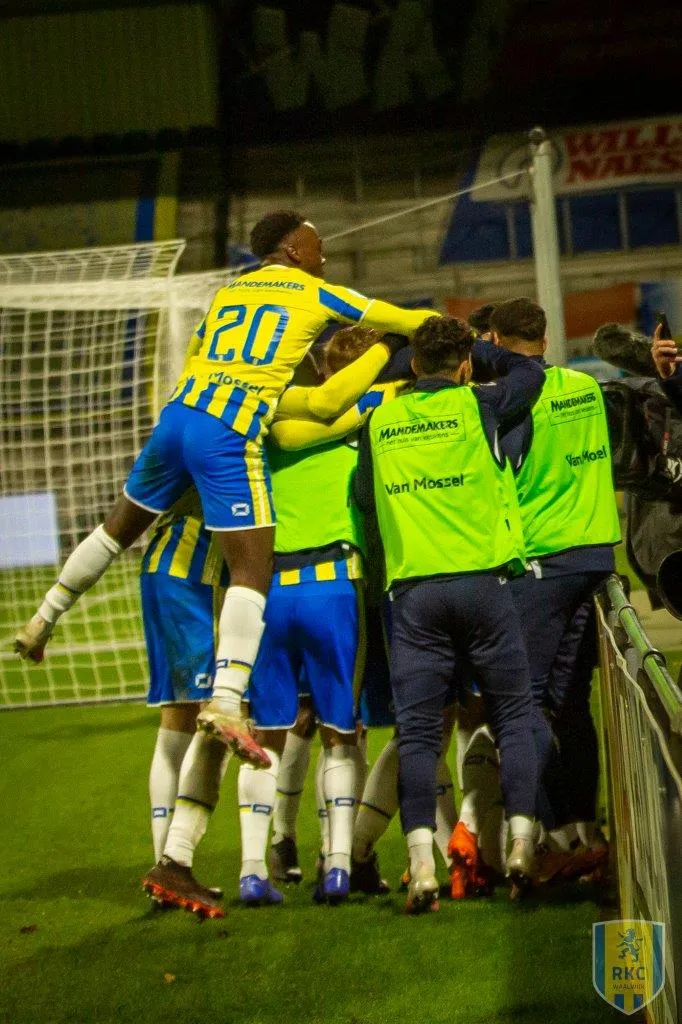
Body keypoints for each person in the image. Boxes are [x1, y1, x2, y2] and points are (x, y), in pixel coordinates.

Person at [14, 210, 435, 765]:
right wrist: (434, 336)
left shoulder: (226, 295)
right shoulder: (318, 292)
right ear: (292, 249)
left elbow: (198, 358)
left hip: (178, 415)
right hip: (227, 431)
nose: (324, 255)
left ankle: (43, 619)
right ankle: (227, 700)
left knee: (116, 529)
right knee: (252, 569)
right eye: (316, 245)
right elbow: (409, 320)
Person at [354, 315, 552, 912]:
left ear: (414, 366)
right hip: (482, 586)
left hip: (415, 594)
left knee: (418, 734)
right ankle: (521, 845)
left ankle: (421, 866)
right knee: (513, 716)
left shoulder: (380, 421)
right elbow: (531, 372)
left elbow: (364, 498)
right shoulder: (479, 405)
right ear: (464, 366)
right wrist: (484, 349)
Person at [481, 298, 621, 882]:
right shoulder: (585, 388)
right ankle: (584, 827)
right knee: (572, 704)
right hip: (596, 559)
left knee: (522, 706)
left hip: (541, 564)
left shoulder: (513, 399)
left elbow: (501, 470)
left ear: (495, 340)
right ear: (544, 339)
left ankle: (544, 833)